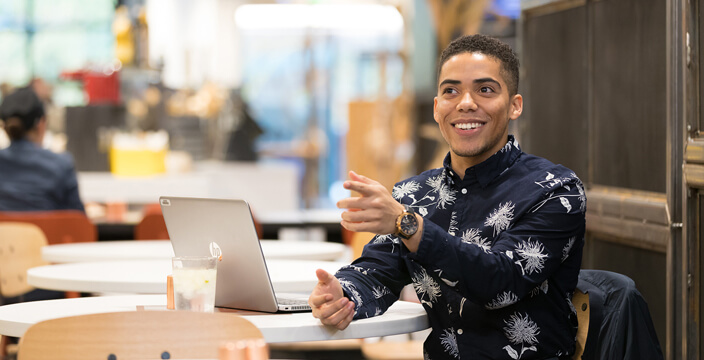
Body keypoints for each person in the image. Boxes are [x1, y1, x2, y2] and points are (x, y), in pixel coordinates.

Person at [309, 34, 586, 360]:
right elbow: (376, 273)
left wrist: (406, 223)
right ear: (438, 108)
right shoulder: (413, 194)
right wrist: (341, 293)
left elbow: (498, 283)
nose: (465, 102)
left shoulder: (556, 190)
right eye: (451, 91)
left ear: (514, 105)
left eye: (485, 89)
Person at [0, 86, 84, 212]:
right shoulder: (61, 165)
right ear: (41, 124)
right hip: (49, 232)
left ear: (5, 128)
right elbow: (78, 223)